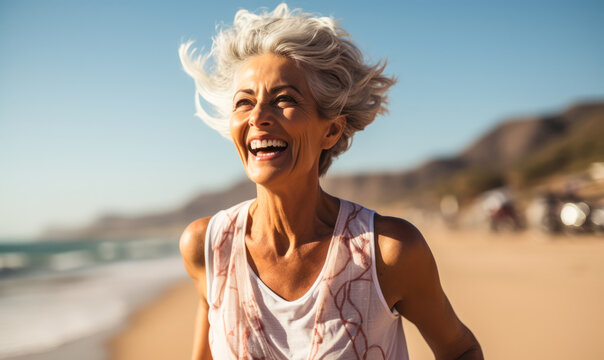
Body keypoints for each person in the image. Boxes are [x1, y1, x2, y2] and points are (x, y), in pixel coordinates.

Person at [178, 4, 482, 359]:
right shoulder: (209, 247)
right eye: (244, 103)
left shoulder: (387, 252)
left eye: (284, 100)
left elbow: (459, 350)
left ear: (332, 130)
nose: (258, 117)